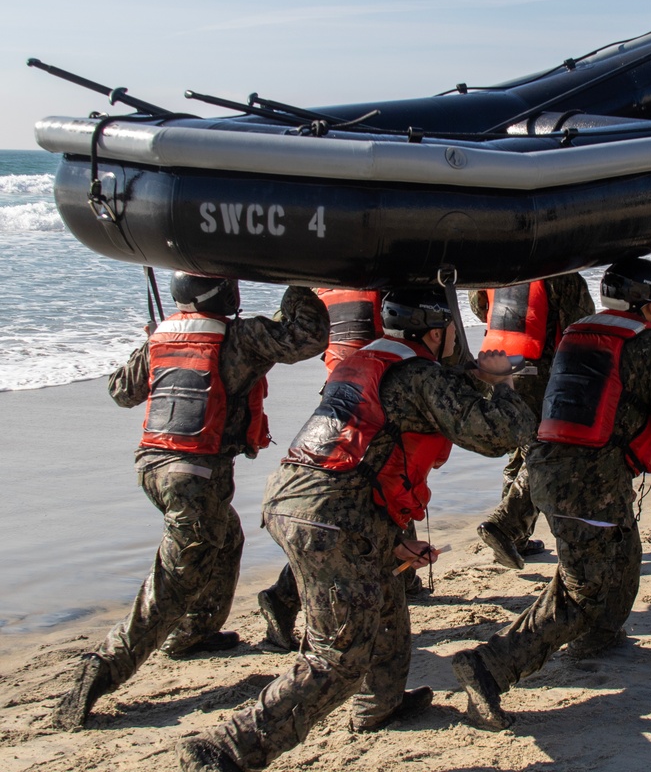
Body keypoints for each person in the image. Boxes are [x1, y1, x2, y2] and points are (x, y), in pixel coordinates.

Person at [176, 288, 535, 771]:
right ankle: (226, 750)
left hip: (300, 497)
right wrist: (502, 382)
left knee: (386, 593)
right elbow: (498, 436)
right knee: (338, 660)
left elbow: (370, 451)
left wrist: (390, 538)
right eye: (453, 329)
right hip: (329, 516)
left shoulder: (370, 358)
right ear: (435, 332)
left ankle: (380, 705)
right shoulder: (419, 374)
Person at [452, 258, 651, 731]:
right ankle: (489, 666)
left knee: (623, 553)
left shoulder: (578, 331)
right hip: (588, 487)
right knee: (583, 592)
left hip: (547, 470)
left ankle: (598, 638)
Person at [52, 274, 329, 731]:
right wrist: (297, 282)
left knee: (227, 538)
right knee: (174, 581)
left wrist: (153, 342)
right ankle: (98, 671)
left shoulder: (166, 333)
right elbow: (306, 336)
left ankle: (195, 633)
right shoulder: (238, 336)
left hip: (154, 469)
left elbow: (122, 390)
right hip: (194, 476)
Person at [257, 286, 429, 653]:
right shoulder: (386, 282)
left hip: (341, 390)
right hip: (379, 393)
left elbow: (290, 331)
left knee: (357, 498)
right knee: (371, 496)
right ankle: (286, 597)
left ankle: (403, 581)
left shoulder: (324, 283)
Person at [470, 274, 595, 569]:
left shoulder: (496, 266)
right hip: (536, 368)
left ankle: (517, 537)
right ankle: (506, 526)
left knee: (522, 449)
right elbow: (580, 323)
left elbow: (478, 307)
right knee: (544, 453)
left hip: (497, 362)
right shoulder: (562, 275)